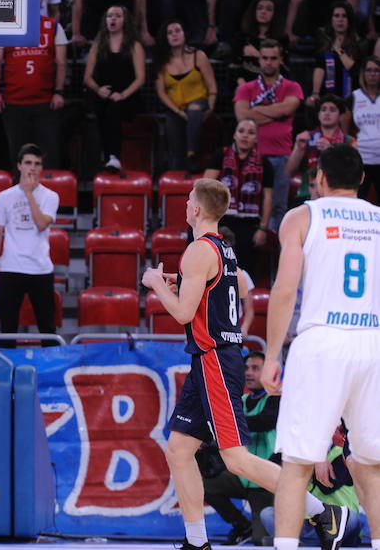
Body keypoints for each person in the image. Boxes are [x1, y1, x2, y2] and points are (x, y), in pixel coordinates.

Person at [140, 177, 346, 550]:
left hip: (215, 359)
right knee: (180, 449)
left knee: (236, 460)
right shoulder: (222, 249)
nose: (186, 204)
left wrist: (156, 283)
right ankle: (197, 541)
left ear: (197, 209)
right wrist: (181, 279)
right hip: (211, 359)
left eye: (188, 199)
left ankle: (322, 512)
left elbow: (185, 313)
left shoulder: (198, 251)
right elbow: (208, 292)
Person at [263, 143, 380, 550]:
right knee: (371, 467)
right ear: (362, 180)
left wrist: (273, 355)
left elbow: (284, 290)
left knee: (296, 466)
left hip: (322, 340)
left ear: (320, 180)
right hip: (372, 341)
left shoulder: (303, 215)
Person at [202, 351, 279, 546]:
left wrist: (229, 422)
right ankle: (241, 525)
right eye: (246, 368)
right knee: (204, 485)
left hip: (266, 481)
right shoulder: (241, 400)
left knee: (261, 540)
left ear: (268, 371)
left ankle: (256, 530)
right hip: (241, 474)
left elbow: (263, 422)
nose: (249, 373)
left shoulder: (276, 399)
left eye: (255, 368)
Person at [0, 144, 59, 347]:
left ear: (41, 168)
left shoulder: (50, 196)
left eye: (37, 164)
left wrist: (29, 194)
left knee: (47, 328)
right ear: (19, 166)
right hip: (10, 268)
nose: (32, 168)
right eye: (28, 163)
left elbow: (41, 224)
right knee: (8, 329)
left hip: (41, 269)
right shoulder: (4, 197)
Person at [233, 39, 303, 230]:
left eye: (273, 58)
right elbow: (242, 116)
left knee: (279, 208)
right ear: (259, 60)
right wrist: (277, 112)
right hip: (251, 157)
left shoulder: (292, 86)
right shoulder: (245, 88)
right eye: (265, 58)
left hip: (282, 157)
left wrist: (256, 110)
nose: (269, 62)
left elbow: (286, 110)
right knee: (248, 208)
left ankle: (277, 255)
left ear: (280, 60)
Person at [0, 14, 68, 168]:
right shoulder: (7, 24)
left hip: (45, 103)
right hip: (13, 102)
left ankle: (49, 190)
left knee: (49, 152)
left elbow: (61, 62)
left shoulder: (53, 26)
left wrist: (59, 92)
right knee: (17, 153)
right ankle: (20, 188)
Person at [202, 118, 274, 276]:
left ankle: (242, 298)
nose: (245, 136)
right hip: (219, 217)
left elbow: (268, 198)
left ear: (256, 138)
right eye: (241, 131)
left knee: (244, 269)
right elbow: (205, 188)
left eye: (250, 133)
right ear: (234, 135)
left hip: (249, 222)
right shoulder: (220, 155)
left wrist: (262, 228)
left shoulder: (264, 163)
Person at [83, 4, 145, 171]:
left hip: (127, 96)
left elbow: (140, 79)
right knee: (100, 109)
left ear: (125, 20)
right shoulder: (98, 44)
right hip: (103, 94)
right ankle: (105, 157)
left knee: (113, 110)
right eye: (110, 16)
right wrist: (98, 89)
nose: (113, 19)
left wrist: (123, 94)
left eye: (117, 15)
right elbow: (87, 77)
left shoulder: (134, 45)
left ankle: (113, 156)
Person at [154, 19, 217, 172]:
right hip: (175, 108)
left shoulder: (198, 56)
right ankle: (175, 176)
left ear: (184, 34)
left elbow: (212, 86)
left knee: (194, 109)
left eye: (178, 31)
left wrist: (211, 107)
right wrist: (178, 112)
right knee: (173, 132)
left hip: (199, 102)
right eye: (170, 33)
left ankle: (191, 154)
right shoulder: (162, 62)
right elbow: (161, 93)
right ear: (166, 38)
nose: (174, 35)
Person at [287, 95, 355, 203]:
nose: (327, 113)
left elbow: (353, 174)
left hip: (337, 196)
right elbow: (288, 173)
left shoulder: (349, 142)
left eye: (332, 110)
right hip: (307, 194)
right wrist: (298, 149)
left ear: (341, 116)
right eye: (323, 110)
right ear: (318, 115)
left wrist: (331, 152)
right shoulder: (306, 137)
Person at [307, 1, 361, 113]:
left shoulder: (357, 45)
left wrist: (338, 49)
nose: (340, 19)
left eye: (344, 16)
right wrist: (315, 94)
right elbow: (319, 67)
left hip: (350, 97)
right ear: (331, 20)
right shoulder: (323, 43)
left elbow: (355, 70)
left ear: (349, 21)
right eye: (336, 16)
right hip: (327, 97)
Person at [232, 0, 288, 88]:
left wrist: (257, 55)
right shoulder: (242, 37)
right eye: (260, 8)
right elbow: (234, 67)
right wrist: (244, 87)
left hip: (273, 86)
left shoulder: (282, 39)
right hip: (245, 86)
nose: (263, 12)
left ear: (275, 14)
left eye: (269, 9)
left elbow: (284, 70)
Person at [347, 55, 380, 201]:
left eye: (376, 70)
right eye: (369, 70)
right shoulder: (354, 97)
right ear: (363, 73)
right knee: (358, 200)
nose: (372, 74)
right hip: (361, 159)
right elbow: (345, 129)